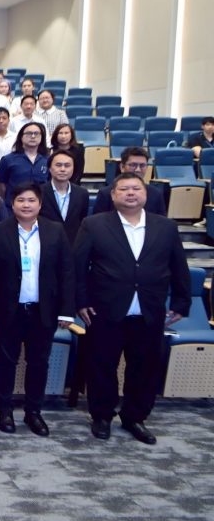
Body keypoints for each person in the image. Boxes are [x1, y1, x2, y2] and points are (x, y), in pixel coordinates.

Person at [74, 172, 190, 445]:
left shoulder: (166, 227)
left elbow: (178, 266)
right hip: (105, 310)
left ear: (146, 194)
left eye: (136, 188)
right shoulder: (94, 224)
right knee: (102, 365)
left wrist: (181, 301)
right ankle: (102, 416)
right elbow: (78, 267)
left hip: (149, 310)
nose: (130, 193)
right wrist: (80, 301)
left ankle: (134, 417)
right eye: (123, 189)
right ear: (113, 195)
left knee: (145, 367)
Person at [0, 183, 75, 437]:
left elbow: (66, 272)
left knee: (38, 363)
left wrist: (66, 310)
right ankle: (5, 410)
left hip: (43, 310)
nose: (26, 205)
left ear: (40, 204)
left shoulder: (55, 231)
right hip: (8, 310)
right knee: (5, 362)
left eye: (31, 200)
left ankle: (33, 412)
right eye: (21, 200)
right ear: (12, 204)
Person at [93, 147, 167, 216]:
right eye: (133, 165)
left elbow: (161, 222)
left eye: (142, 165)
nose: (138, 170)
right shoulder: (105, 194)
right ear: (122, 167)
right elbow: (98, 222)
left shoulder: (156, 194)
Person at [40, 149, 90, 244]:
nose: (63, 169)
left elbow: (82, 221)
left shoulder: (82, 194)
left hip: (73, 245)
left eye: (67, 165)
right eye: (58, 165)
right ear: (50, 168)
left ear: (73, 169)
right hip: (46, 243)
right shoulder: (39, 192)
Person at [0, 122, 49, 203]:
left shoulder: (48, 160)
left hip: (42, 205)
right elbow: (1, 184)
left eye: (36, 133)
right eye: (29, 133)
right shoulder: (8, 159)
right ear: (21, 137)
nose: (33, 136)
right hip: (13, 205)